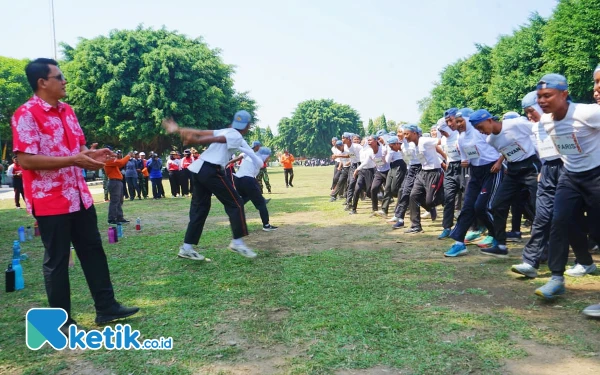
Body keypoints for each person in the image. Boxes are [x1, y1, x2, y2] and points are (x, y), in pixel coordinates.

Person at [11, 58, 138, 328]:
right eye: (59, 77)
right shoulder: (26, 114)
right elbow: (26, 160)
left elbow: (76, 152)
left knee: (93, 252)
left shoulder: (68, 111)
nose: (64, 81)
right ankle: (61, 322)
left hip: (79, 197)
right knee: (57, 261)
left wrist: (93, 155)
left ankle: (106, 308)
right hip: (50, 202)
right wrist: (73, 160)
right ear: (42, 82)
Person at [533, 73, 600, 300]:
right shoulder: (545, 120)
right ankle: (556, 279)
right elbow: (562, 147)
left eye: (547, 95)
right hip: (569, 176)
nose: (542, 101)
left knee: (596, 229)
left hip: (596, 176)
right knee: (559, 222)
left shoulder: (587, 112)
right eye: (539, 96)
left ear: (564, 94)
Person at [163, 110, 261, 259]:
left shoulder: (226, 130)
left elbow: (201, 132)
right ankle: (237, 242)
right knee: (236, 203)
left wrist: (178, 129)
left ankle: (187, 247)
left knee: (200, 209)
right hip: (211, 170)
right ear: (248, 125)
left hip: (199, 170)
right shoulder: (235, 134)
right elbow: (218, 139)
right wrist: (194, 140)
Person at [471, 109, 540, 258]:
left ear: (489, 120)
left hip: (530, 167)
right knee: (497, 204)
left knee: (538, 206)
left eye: (480, 127)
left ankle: (544, 246)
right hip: (513, 172)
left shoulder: (515, 124)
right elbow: (506, 151)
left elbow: (538, 131)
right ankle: (500, 245)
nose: (481, 132)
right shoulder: (491, 140)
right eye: (477, 130)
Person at [511, 91, 563, 278]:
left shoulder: (562, 121)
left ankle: (583, 259)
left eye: (531, 111)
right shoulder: (534, 128)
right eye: (526, 112)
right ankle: (531, 261)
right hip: (548, 170)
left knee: (567, 217)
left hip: (569, 168)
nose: (529, 116)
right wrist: (542, 169)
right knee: (541, 216)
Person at [443, 109, 503, 257]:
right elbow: (466, 157)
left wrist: (500, 162)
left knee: (481, 207)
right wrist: (465, 162)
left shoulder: (481, 131)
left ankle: (498, 237)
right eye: (456, 122)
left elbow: (502, 146)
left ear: (468, 119)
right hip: (475, 172)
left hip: (491, 170)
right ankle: (459, 243)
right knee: (467, 207)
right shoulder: (461, 138)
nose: (458, 124)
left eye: (460, 121)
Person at [405, 124, 447, 233]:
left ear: (414, 133)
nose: (405, 136)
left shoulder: (424, 140)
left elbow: (439, 143)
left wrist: (446, 159)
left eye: (407, 134)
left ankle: (447, 199)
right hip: (422, 172)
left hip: (433, 172)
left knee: (430, 201)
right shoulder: (413, 145)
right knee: (413, 196)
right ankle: (416, 226)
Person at [231, 146, 278, 231]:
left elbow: (243, 155)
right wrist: (239, 145)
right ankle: (266, 225)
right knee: (261, 204)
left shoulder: (247, 155)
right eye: (268, 156)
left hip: (238, 180)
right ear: (264, 155)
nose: (268, 159)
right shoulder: (259, 161)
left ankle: (234, 207)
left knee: (245, 197)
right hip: (247, 180)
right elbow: (249, 154)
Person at [438, 113, 463, 239]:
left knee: (465, 198)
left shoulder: (459, 135)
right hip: (450, 169)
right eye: (440, 130)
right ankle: (447, 227)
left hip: (463, 167)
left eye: (442, 129)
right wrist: (447, 161)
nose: (441, 132)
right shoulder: (443, 140)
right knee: (448, 199)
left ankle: (472, 226)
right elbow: (442, 151)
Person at [104, 151, 132, 224]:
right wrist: (128, 156)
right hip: (114, 182)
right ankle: (112, 218)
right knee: (115, 201)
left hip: (117, 182)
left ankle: (119, 217)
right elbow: (121, 163)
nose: (114, 155)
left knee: (119, 201)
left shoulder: (112, 161)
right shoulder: (108, 161)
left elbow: (119, 164)